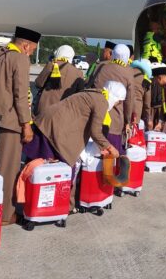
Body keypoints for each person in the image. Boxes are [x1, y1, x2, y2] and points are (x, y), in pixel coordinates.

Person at [24, 81, 124, 209]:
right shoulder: (101, 101)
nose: (117, 104)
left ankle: (31, 201)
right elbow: (95, 132)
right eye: (118, 101)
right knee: (57, 170)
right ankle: (51, 206)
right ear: (114, 97)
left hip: (47, 122)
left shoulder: (93, 93)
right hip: (54, 129)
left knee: (36, 167)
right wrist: (110, 147)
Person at [0, 26, 41, 224]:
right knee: (7, 168)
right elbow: (20, 94)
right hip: (9, 121)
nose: (30, 53)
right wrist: (26, 124)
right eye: (31, 49)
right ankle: (4, 214)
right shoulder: (20, 58)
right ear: (25, 45)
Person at [87, 44, 135, 155]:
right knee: (111, 156)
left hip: (96, 114)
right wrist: (127, 121)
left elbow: (90, 87)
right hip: (115, 120)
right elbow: (129, 100)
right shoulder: (128, 72)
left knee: (94, 154)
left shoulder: (101, 66)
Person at [34, 45, 85, 115]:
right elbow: (80, 93)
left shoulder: (50, 65)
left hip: (44, 109)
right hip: (63, 112)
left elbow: (38, 83)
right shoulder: (78, 73)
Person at [130, 58, 153, 127]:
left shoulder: (127, 72)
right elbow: (147, 103)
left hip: (123, 108)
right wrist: (148, 119)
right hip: (135, 111)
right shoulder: (146, 80)